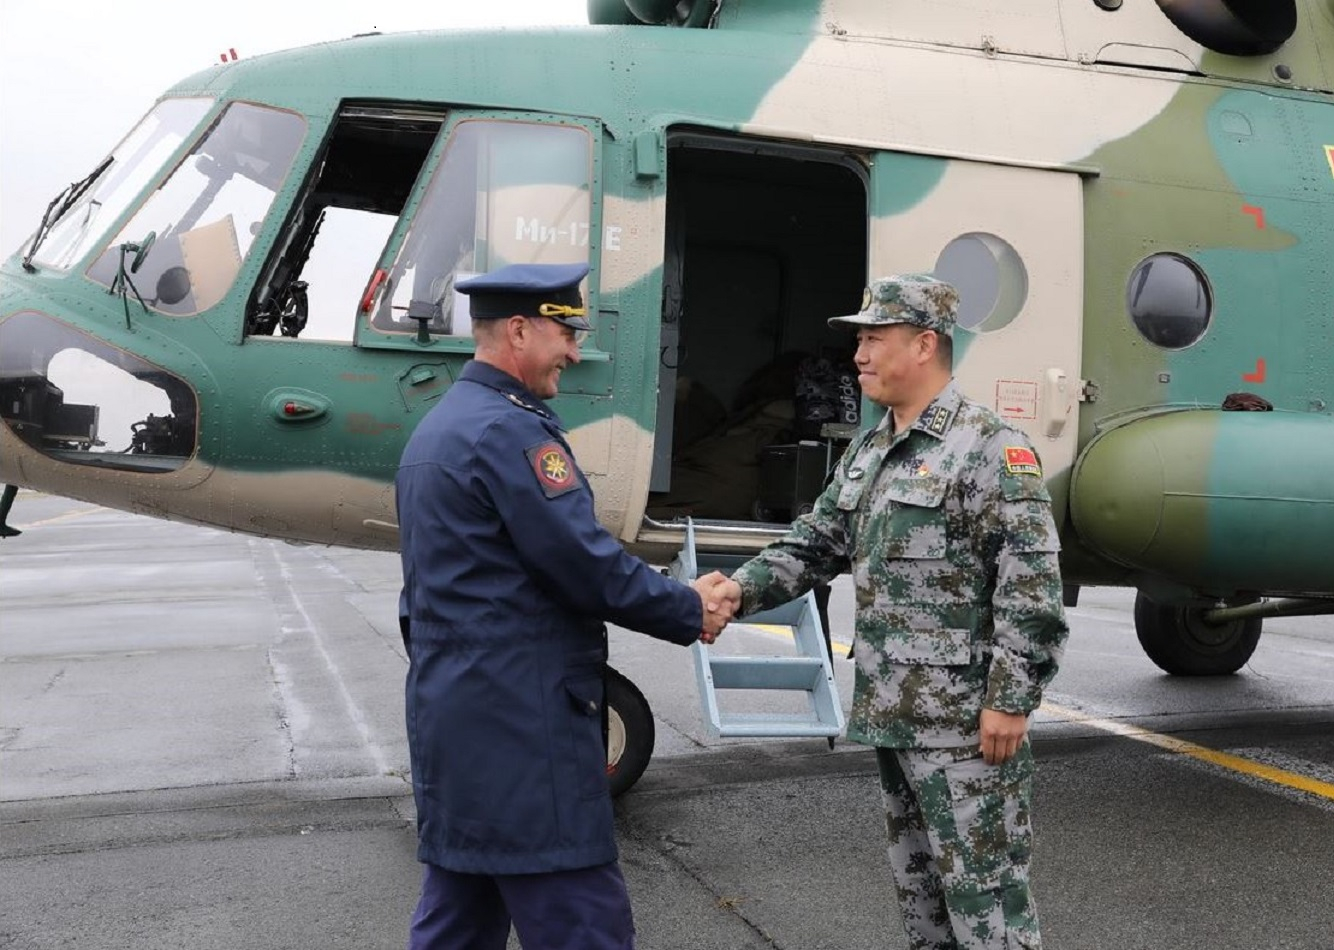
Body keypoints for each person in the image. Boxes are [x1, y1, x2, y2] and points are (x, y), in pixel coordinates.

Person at [695, 273, 1069, 949]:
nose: (859, 354)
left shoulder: (989, 448)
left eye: (874, 337)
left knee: (989, 908)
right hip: (896, 717)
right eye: (859, 339)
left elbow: (1031, 582)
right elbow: (816, 542)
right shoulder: (871, 451)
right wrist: (737, 590)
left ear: (924, 345)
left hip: (964, 728)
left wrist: (1012, 698)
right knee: (924, 910)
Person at [395, 261, 733, 950]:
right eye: (565, 333)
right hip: (525, 729)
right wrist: (686, 606)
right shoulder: (510, 434)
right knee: (584, 924)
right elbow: (583, 565)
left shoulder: (441, 428)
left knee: (459, 918)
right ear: (519, 330)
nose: (574, 353)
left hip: (457, 721)